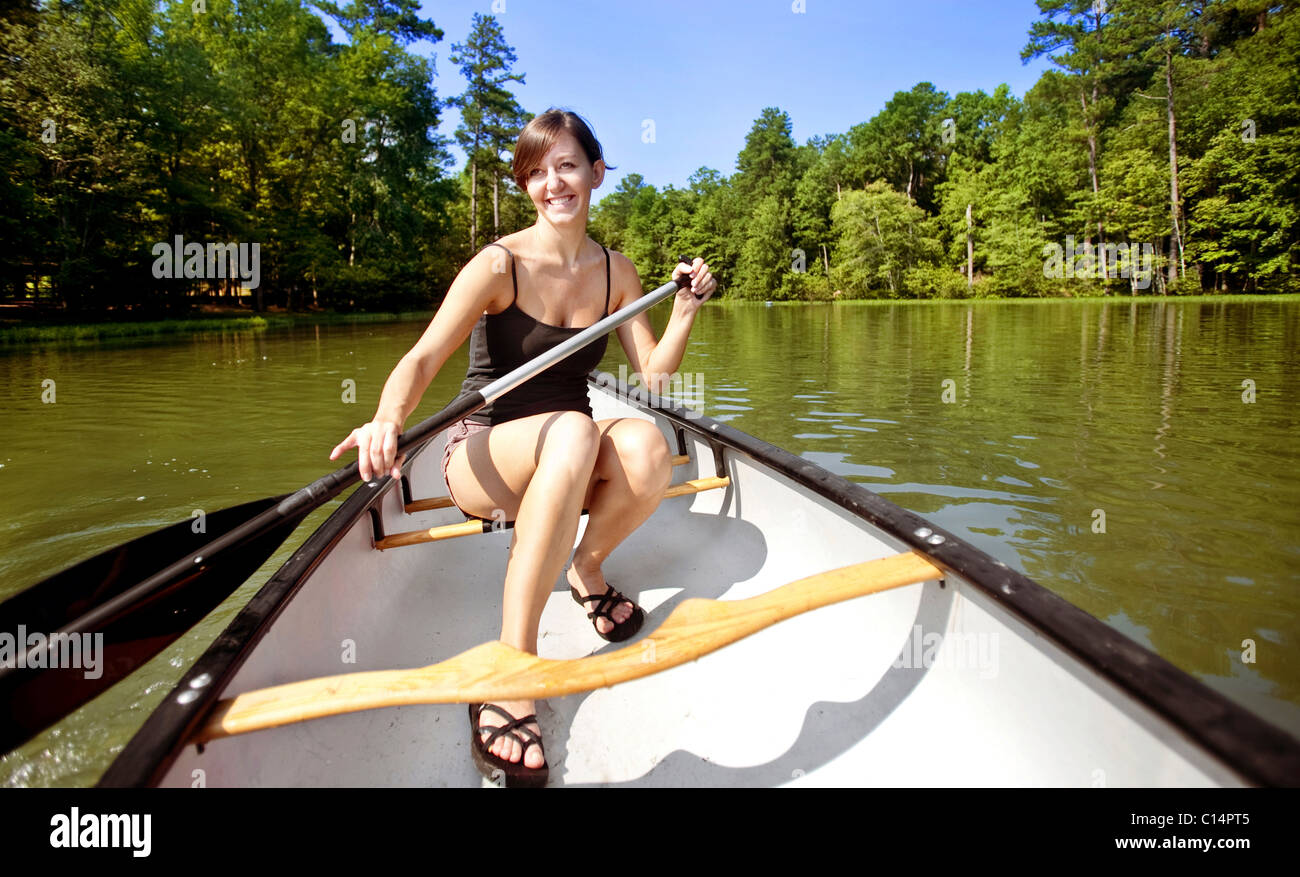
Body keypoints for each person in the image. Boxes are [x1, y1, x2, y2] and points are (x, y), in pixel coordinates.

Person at [329, 108, 715, 786]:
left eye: (566, 166)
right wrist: (388, 417)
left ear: (596, 173)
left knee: (649, 447)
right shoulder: (497, 263)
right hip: (483, 455)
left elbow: (652, 378)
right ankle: (513, 671)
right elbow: (421, 360)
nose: (552, 183)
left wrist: (683, 313)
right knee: (571, 427)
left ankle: (585, 569)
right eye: (535, 172)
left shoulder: (616, 271)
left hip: (566, 451)